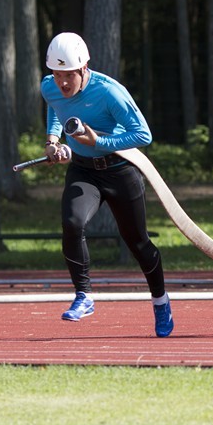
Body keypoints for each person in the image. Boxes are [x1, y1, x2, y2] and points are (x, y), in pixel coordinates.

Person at [41, 32, 173, 337]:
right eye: (56, 75)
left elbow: (143, 135)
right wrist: (52, 140)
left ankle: (160, 301)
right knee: (72, 223)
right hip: (83, 171)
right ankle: (84, 295)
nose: (62, 83)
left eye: (68, 76)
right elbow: (55, 107)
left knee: (138, 242)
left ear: (84, 68)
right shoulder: (50, 87)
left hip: (120, 171)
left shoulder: (110, 92)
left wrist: (100, 141)